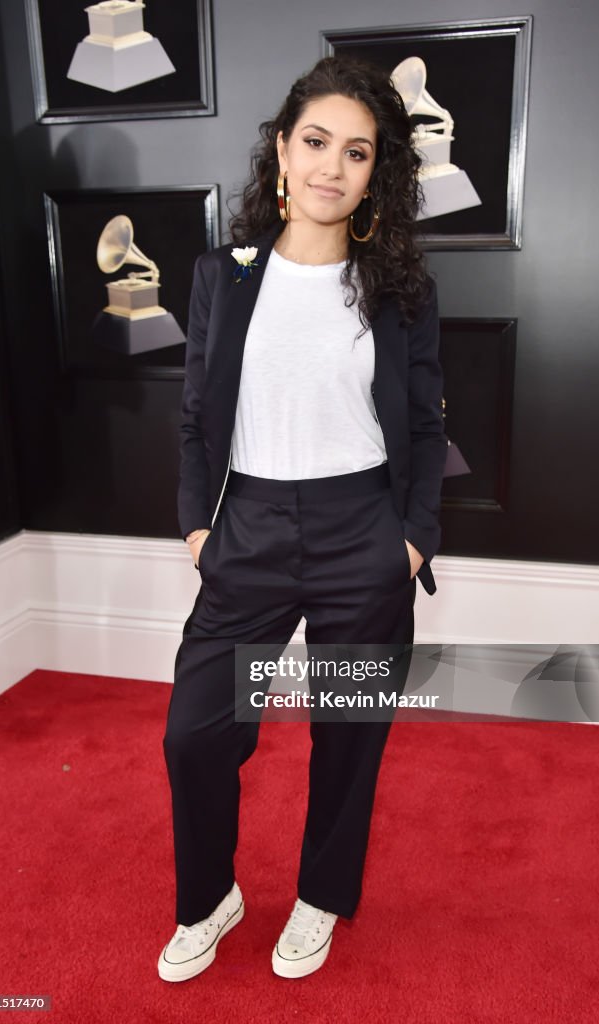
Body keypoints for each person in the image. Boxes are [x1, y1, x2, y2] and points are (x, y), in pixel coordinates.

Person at [159, 55, 447, 982]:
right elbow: (199, 415)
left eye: (355, 152)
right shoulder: (222, 273)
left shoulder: (395, 287)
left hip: (360, 532)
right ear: (281, 151)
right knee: (198, 733)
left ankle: (321, 896)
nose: (331, 165)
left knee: (347, 733)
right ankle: (209, 899)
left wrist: (411, 540)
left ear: (375, 173)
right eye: (315, 142)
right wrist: (199, 529)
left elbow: (426, 420)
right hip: (243, 531)